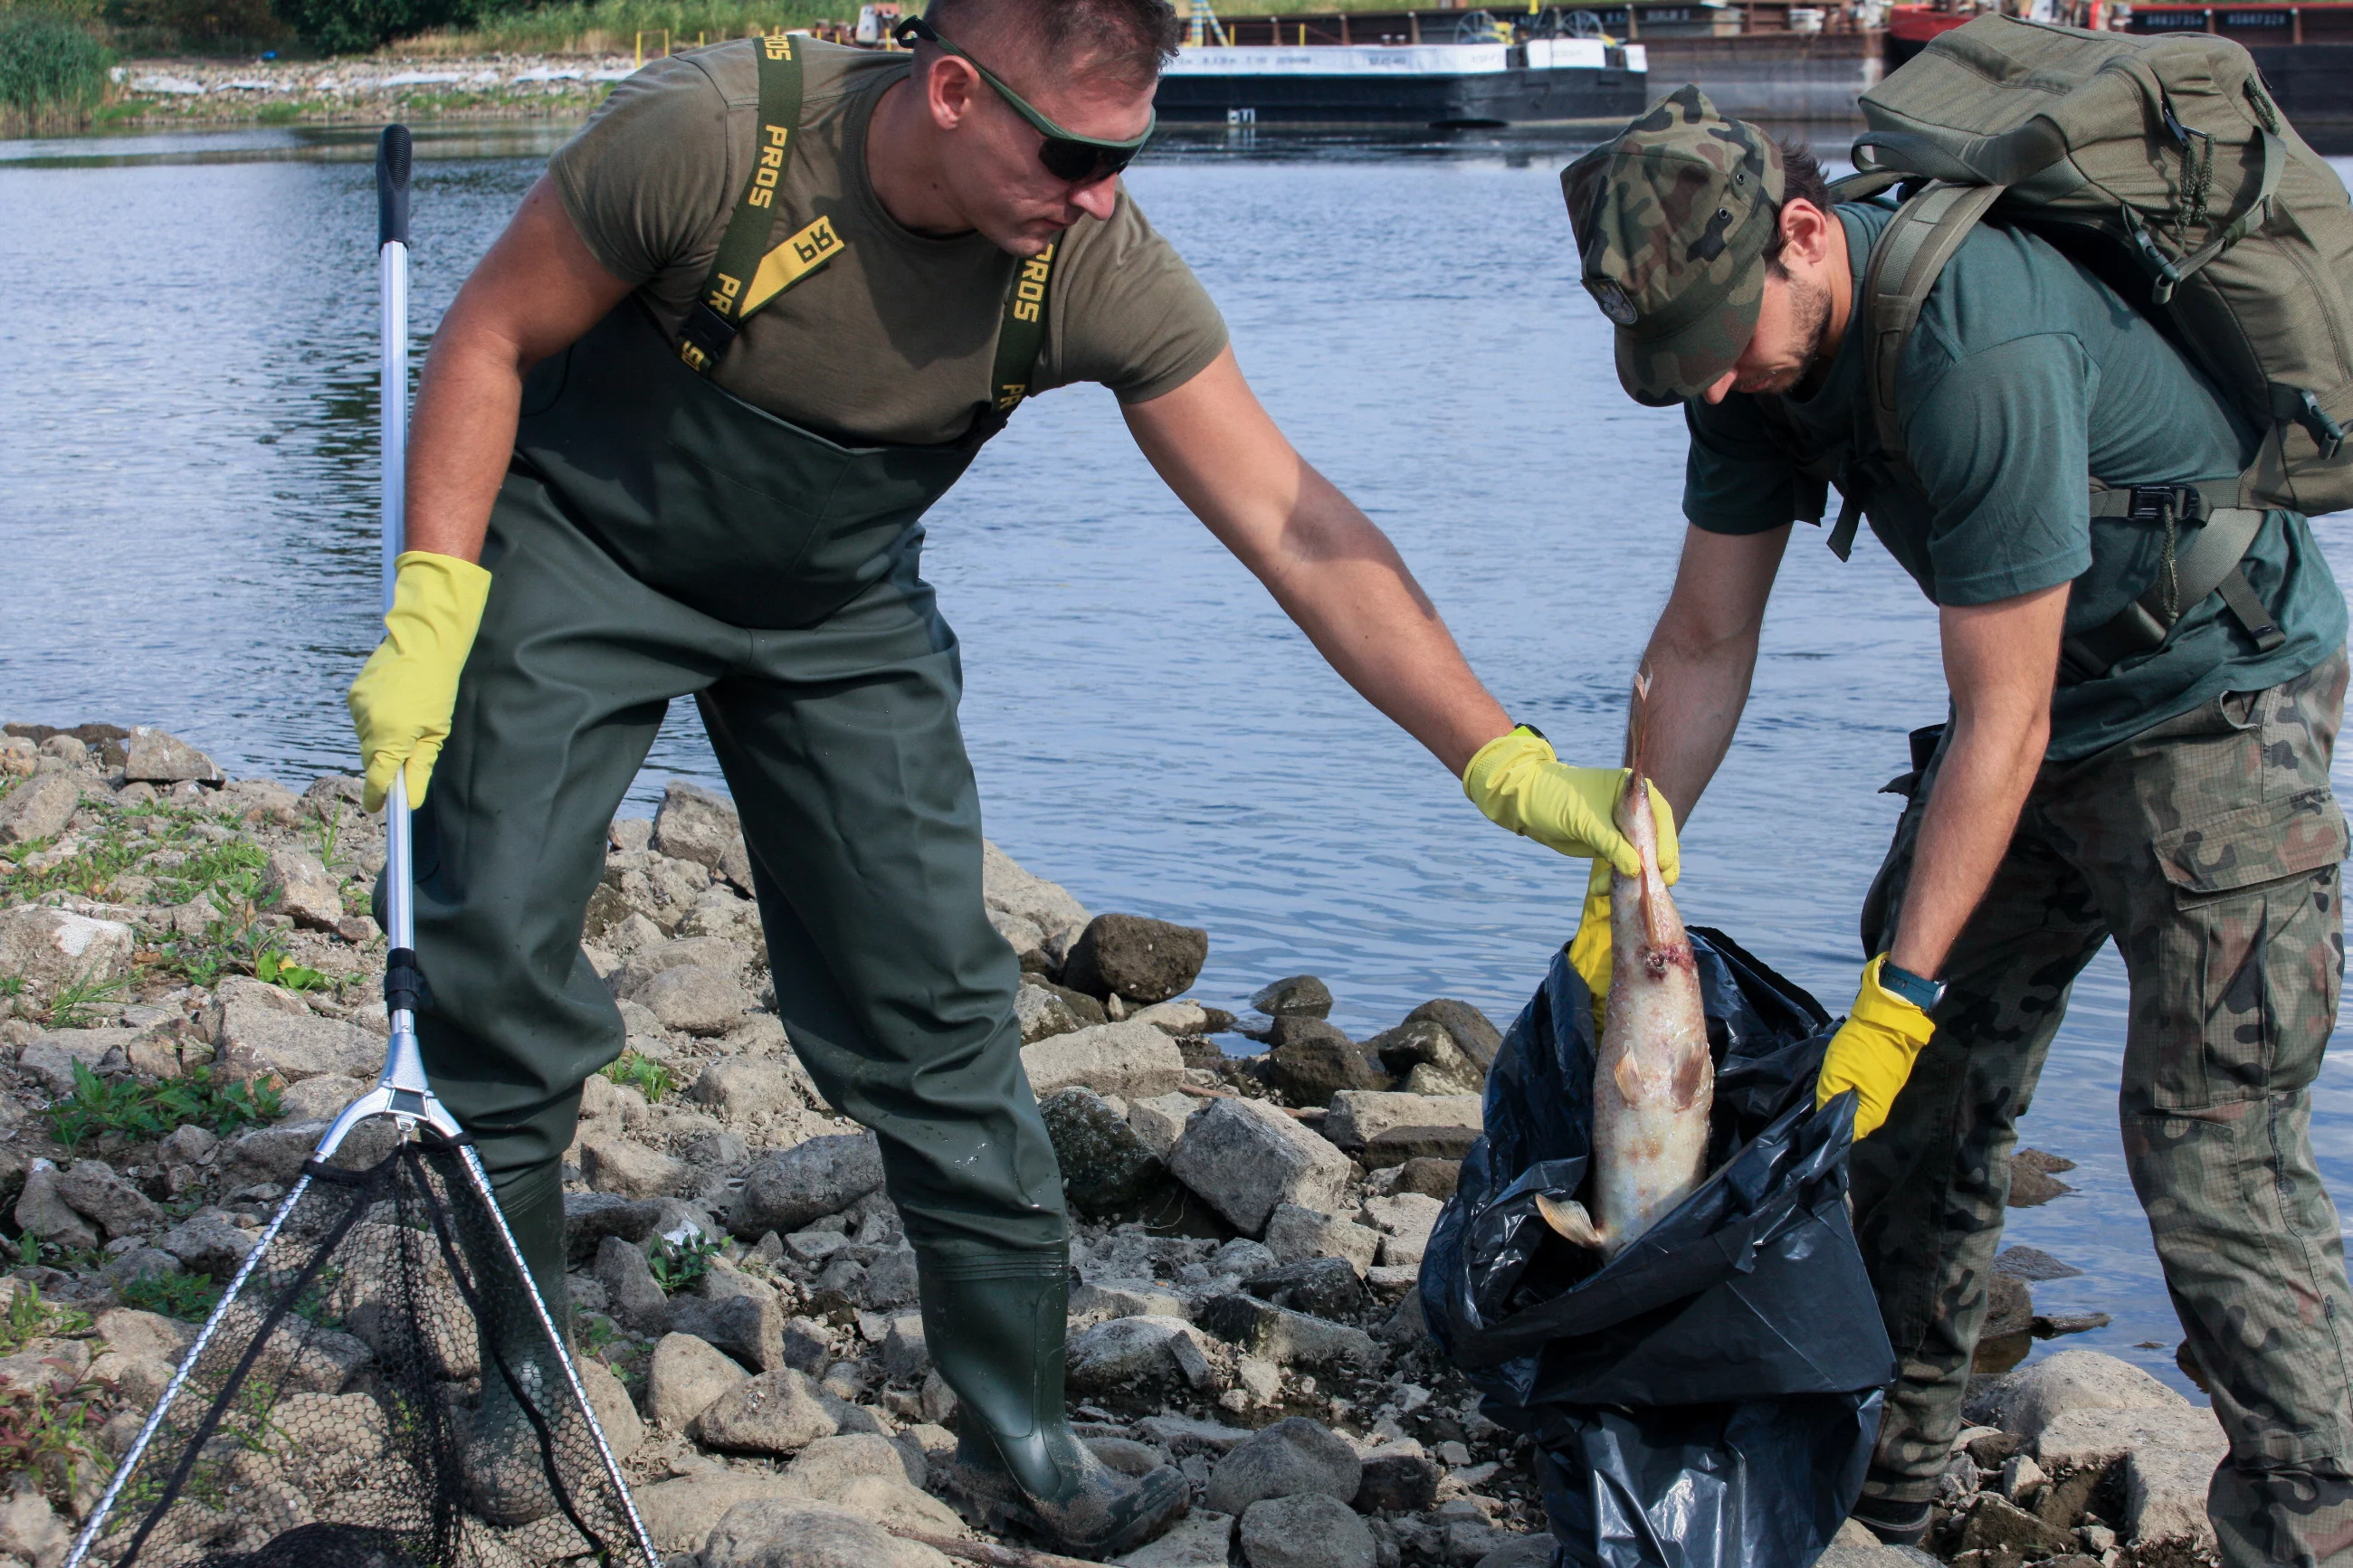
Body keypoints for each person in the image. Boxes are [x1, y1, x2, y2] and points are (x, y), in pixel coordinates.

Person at [344, 0, 1674, 1552]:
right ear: (957, 90)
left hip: (837, 612)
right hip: (581, 552)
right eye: (1073, 153)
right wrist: (438, 603)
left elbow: (1296, 525)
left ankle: (1019, 1429)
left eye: (1130, 153)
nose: (1104, 192)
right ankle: (515, 1373)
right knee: (493, 951)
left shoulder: (1093, 265)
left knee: (942, 1010)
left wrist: (1495, 753)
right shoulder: (714, 139)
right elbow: (493, 334)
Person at [1560, 87, 2353, 1565]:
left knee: (2211, 1156)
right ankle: (1882, 1491)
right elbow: (1705, 639)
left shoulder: (1972, 345)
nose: (1711, 386)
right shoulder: (1746, 370)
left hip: (2214, 707)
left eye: (1719, 343)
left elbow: (2008, 721)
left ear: (1804, 237)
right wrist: (1633, 883)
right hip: (2040, 702)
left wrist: (1902, 995)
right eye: (1675, 364)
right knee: (1907, 1124)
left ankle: (2316, 1531)